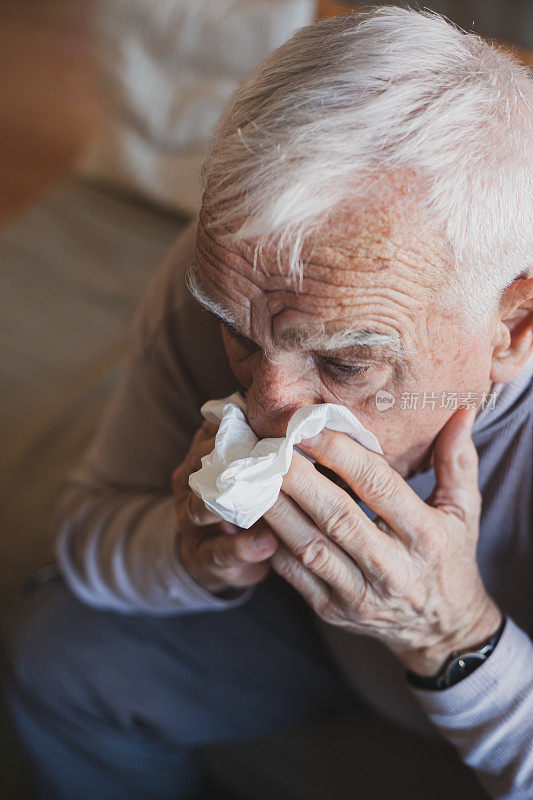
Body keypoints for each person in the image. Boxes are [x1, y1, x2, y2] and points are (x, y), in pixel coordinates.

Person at [7, 8, 533, 800]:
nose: (268, 404)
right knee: (63, 656)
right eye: (239, 336)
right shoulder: (236, 280)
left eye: (347, 361)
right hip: (291, 633)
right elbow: (91, 526)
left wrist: (451, 636)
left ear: (513, 327)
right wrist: (191, 554)